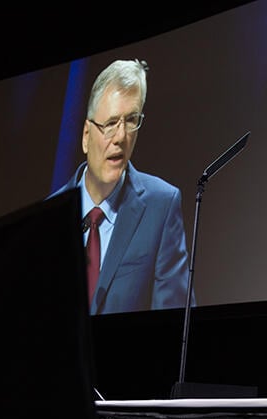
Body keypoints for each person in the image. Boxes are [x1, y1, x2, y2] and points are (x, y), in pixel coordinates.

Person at [50, 59, 193, 315]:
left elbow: (173, 323)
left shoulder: (161, 206)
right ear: (85, 136)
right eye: (111, 123)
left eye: (131, 121)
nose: (121, 137)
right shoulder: (50, 215)